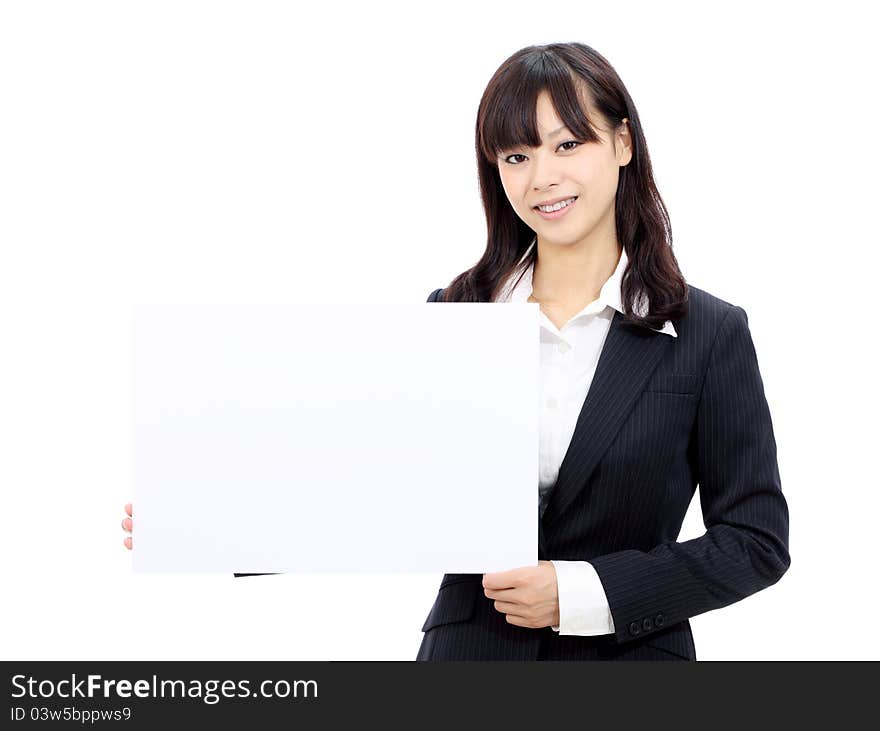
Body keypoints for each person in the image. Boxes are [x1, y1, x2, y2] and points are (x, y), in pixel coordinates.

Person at [123, 40, 791, 662]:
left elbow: (755, 540)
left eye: (567, 144)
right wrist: (201, 515)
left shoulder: (707, 331)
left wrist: (585, 591)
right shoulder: (459, 311)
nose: (542, 177)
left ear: (621, 142)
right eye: (516, 156)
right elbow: (376, 489)